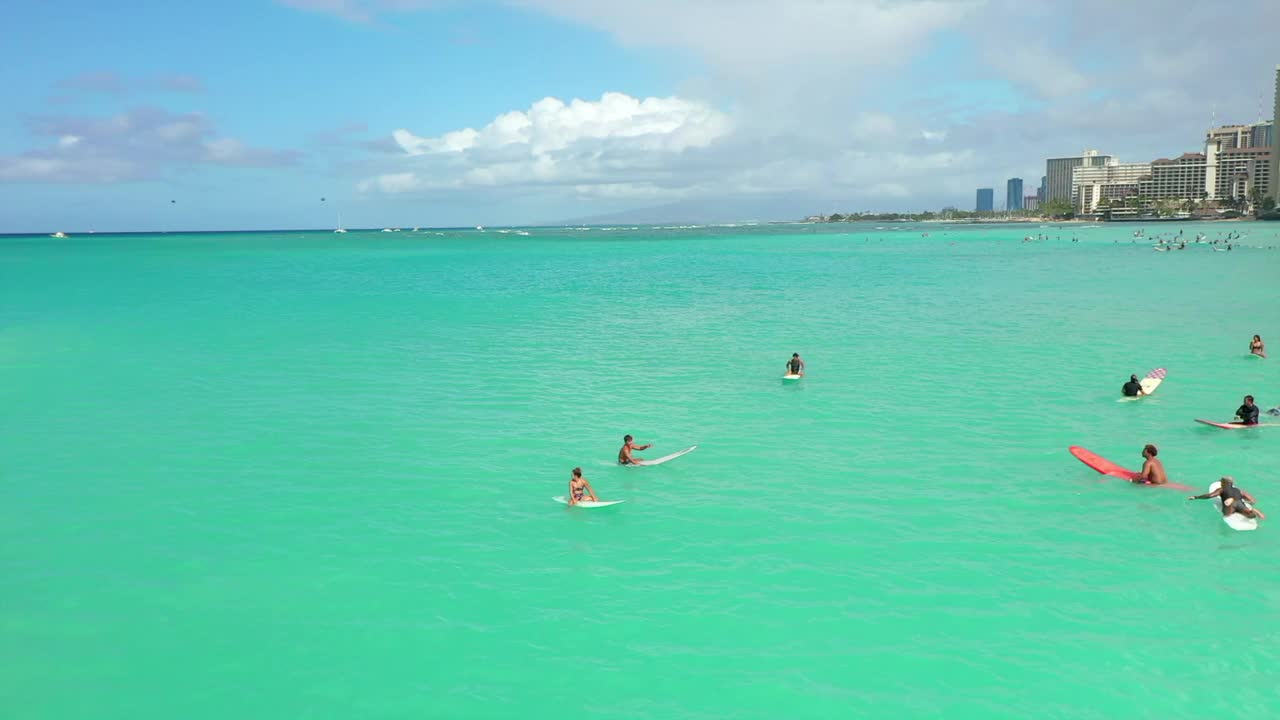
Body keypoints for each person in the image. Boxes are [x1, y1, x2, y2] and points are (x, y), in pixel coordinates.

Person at [1189, 476, 1265, 520]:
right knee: (1250, 516)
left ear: (1223, 483)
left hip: (1230, 505)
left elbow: (1210, 496)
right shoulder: (1239, 490)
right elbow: (1252, 500)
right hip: (1239, 503)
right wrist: (1248, 503)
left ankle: (1230, 503)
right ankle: (1252, 511)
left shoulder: (1221, 489)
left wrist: (1196, 497)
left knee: (1227, 515)